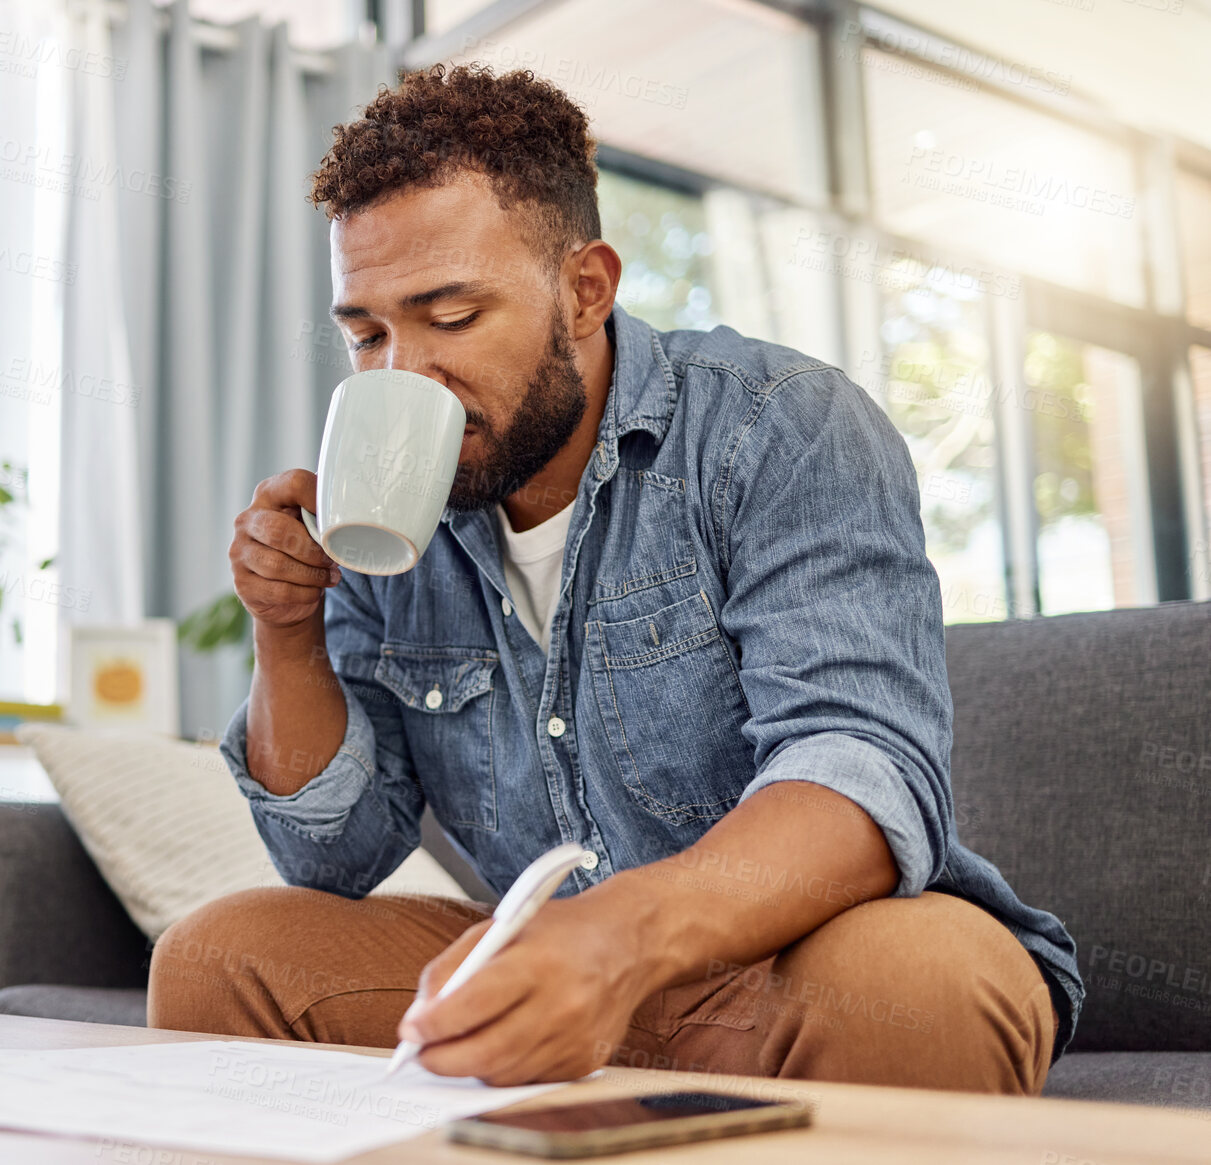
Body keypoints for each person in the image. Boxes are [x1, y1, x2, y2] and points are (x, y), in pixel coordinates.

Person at [147, 62, 1080, 1095]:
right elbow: (334, 859)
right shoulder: (388, 499)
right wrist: (284, 631)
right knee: (219, 957)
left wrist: (608, 939)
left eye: (449, 317)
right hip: (560, 972)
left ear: (584, 290)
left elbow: (857, 766)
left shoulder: (776, 425)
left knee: (918, 975)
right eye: (364, 334)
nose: (397, 376)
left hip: (785, 975)